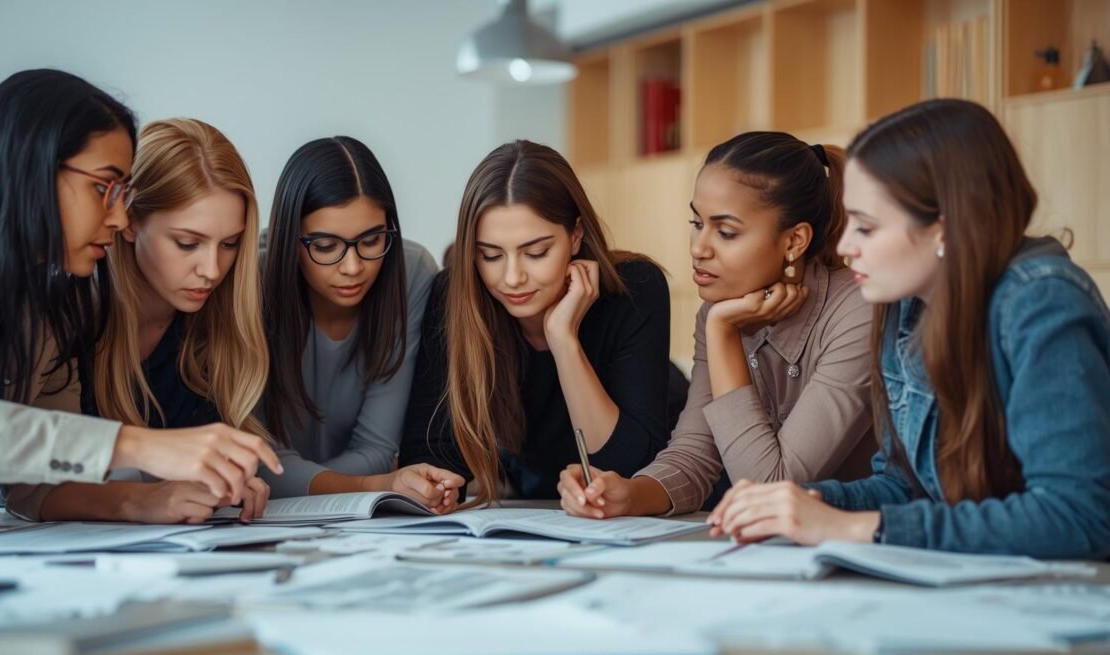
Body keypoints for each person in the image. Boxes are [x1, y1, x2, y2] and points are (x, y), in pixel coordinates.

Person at [708, 99, 1110, 559]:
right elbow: (907, 486)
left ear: (944, 227)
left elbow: (1079, 516)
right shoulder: (906, 304)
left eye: (866, 227)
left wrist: (857, 527)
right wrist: (805, 504)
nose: (845, 247)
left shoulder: (1041, 304)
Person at [0, 70, 279, 533]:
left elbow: (33, 485)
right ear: (30, 166)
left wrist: (146, 501)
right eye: (104, 189)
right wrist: (142, 446)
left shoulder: (47, 305)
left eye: (122, 193)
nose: (121, 216)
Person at [559, 131, 876, 519]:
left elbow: (769, 488)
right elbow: (693, 457)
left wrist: (723, 334)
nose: (698, 247)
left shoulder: (859, 311)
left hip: (872, 553)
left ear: (794, 240)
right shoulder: (720, 311)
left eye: (726, 232)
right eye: (697, 222)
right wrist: (626, 493)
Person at [400, 140, 671, 506]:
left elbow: (626, 469)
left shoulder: (635, 289)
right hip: (537, 507)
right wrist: (437, 489)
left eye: (536, 252)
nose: (512, 277)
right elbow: (432, 455)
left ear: (575, 235)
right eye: (490, 255)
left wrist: (563, 339)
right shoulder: (455, 297)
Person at [260, 137, 460, 513]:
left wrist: (296, 480)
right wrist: (375, 485)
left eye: (371, 240)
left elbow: (377, 451)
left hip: (356, 519)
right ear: (289, 239)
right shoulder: (251, 285)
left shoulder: (411, 271)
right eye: (325, 246)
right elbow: (261, 461)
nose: (353, 267)